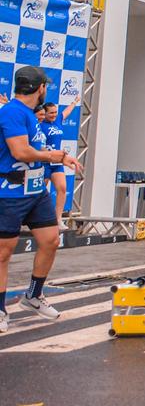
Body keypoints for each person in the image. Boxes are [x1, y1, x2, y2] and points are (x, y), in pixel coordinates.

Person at [0, 66, 83, 331]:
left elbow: (34, 146)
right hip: (10, 192)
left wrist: (60, 155)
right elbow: (21, 151)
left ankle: (33, 295)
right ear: (40, 88)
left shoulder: (29, 115)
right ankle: (0, 309)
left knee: (50, 241)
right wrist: (53, 157)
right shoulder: (12, 111)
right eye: (45, 86)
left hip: (36, 192)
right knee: (4, 252)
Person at [37, 99, 76, 223]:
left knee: (62, 188)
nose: (54, 115)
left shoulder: (58, 120)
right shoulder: (39, 124)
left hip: (57, 163)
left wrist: (74, 103)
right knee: (39, 192)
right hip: (44, 162)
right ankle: (34, 219)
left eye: (55, 112)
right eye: (51, 113)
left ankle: (58, 218)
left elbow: (66, 112)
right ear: (44, 113)